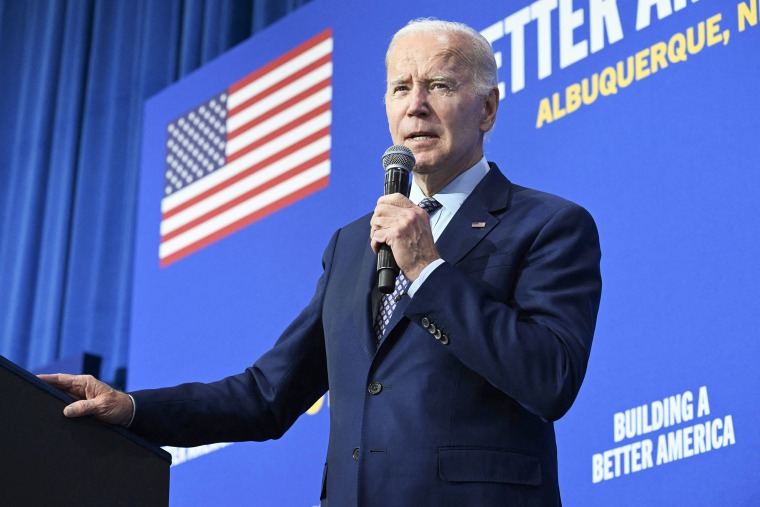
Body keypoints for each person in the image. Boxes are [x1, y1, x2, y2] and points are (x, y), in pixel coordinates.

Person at [41, 19, 602, 506]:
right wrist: (134, 408)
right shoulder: (352, 244)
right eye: (400, 87)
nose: (416, 105)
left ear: (487, 108)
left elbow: (549, 377)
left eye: (438, 84)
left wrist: (428, 271)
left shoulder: (548, 225)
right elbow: (266, 395)